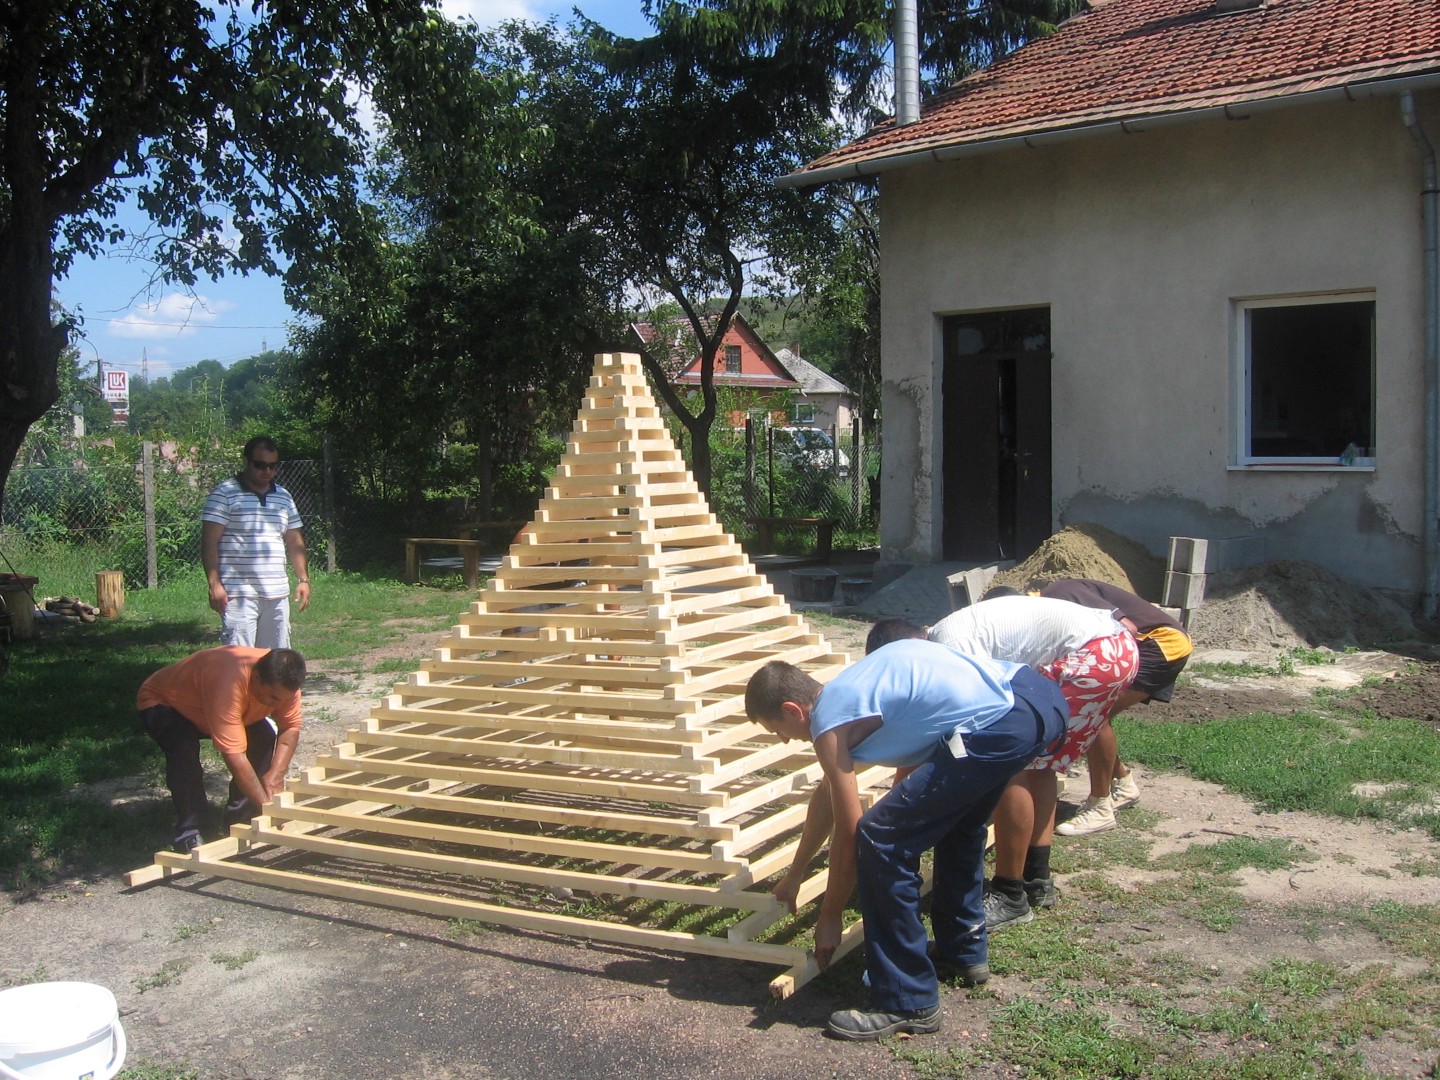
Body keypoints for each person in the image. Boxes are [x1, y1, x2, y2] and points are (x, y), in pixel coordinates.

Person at [744, 640, 1068, 1041]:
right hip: (1035, 698)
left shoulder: (829, 721)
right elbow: (828, 796)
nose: (783, 740)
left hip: (1001, 719)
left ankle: (905, 999)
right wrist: (795, 875)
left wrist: (830, 916)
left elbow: (850, 831)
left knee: (880, 838)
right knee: (959, 825)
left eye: (777, 730)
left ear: (793, 710)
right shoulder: (851, 693)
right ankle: (962, 952)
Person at [870, 599, 1138, 929]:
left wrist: (898, 814)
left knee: (1008, 761)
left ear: (905, 652)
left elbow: (960, 727)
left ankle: (1010, 893)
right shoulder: (945, 638)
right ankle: (1036, 879)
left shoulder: (951, 648)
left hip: (1094, 655)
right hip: (1115, 650)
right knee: (1039, 764)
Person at [1036, 578, 1194, 836]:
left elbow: (1127, 627)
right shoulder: (1050, 606)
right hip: (1154, 644)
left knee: (1093, 715)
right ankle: (1123, 783)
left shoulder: (1060, 593)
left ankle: (1100, 808)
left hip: (1160, 644)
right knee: (1095, 714)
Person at [138, 646, 306, 853]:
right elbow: (235, 756)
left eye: (283, 699)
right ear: (256, 678)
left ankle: (241, 820)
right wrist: (267, 806)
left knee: (263, 737)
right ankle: (192, 831)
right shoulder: (229, 683)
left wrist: (275, 777)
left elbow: (290, 727)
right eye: (273, 697)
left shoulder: (285, 684)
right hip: (165, 703)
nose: (278, 704)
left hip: (214, 707)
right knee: (183, 750)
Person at [202, 436, 310, 648]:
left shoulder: (284, 497)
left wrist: (303, 579)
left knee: (275, 661)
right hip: (238, 595)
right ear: (246, 461)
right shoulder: (224, 494)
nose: (267, 471)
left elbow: (294, 540)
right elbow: (209, 543)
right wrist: (214, 584)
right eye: (260, 465)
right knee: (240, 660)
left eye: (272, 466)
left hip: (277, 594)